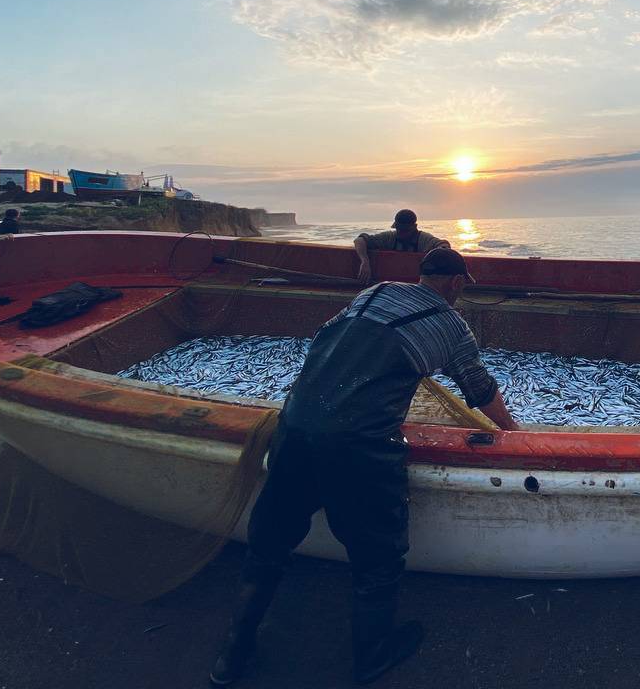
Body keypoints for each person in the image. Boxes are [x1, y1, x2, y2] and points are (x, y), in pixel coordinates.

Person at [210, 247, 517, 687]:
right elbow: (478, 387)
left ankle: (231, 657)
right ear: (455, 283)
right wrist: (512, 430)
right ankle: (373, 655)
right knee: (378, 558)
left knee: (269, 547)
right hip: (360, 448)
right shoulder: (452, 326)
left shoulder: (377, 292)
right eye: (463, 284)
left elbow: (330, 342)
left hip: (295, 426)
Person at [353, 209, 449, 285]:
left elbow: (444, 245)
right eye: (398, 229)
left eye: (405, 230)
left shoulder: (423, 239)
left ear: (415, 227)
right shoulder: (390, 237)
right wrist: (365, 262)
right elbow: (360, 240)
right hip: (390, 284)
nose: (400, 233)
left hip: (416, 284)